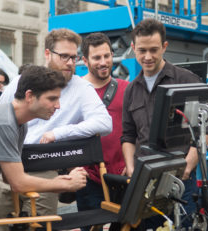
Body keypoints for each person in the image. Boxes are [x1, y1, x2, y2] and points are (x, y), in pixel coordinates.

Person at [0, 29, 112, 231]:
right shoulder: (22, 82)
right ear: (47, 54)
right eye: (64, 56)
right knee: (5, 224)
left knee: (39, 227)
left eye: (74, 57)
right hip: (9, 161)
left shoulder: (81, 88)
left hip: (45, 164)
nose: (71, 63)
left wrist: (59, 133)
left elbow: (104, 123)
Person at [0, 65, 88, 215]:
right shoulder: (3, 122)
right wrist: (65, 183)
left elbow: (10, 178)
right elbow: (17, 183)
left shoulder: (18, 123)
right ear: (29, 96)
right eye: (52, 99)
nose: (58, 105)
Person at [120, 18, 208, 229]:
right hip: (145, 180)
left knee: (184, 226)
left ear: (164, 46)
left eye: (154, 50)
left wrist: (188, 167)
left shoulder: (187, 81)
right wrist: (131, 167)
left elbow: (205, 130)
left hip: (182, 179)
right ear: (133, 48)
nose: (147, 56)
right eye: (142, 50)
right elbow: (127, 135)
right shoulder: (131, 90)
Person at [77, 32, 128, 231]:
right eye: (97, 57)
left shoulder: (127, 89)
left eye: (107, 56)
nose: (104, 62)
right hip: (89, 179)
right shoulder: (75, 90)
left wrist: (132, 163)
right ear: (85, 60)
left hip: (123, 176)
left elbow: (140, 130)